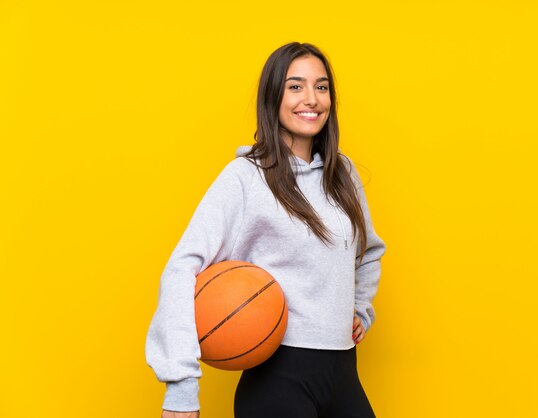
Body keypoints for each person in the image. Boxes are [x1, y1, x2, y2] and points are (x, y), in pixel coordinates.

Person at [145, 41, 386, 418]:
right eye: (295, 86)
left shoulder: (342, 174)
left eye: (321, 87)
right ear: (272, 97)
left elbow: (368, 250)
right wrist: (181, 386)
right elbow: (181, 269)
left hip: (343, 372)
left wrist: (360, 309)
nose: (311, 98)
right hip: (278, 382)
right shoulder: (246, 178)